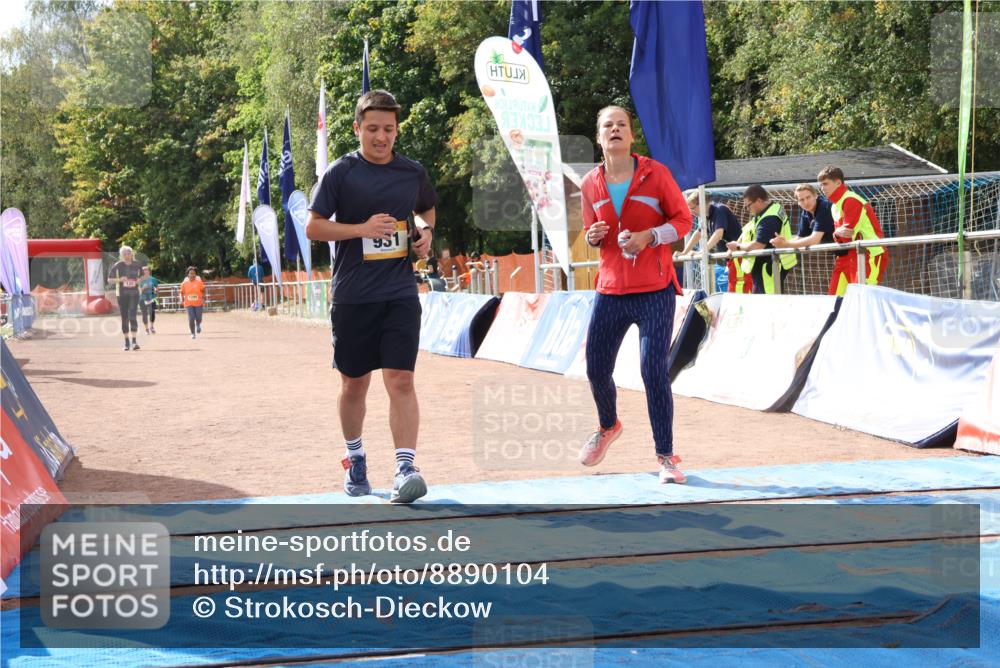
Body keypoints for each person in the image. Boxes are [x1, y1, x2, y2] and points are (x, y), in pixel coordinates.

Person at [305, 89, 436, 504]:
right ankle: (355, 458)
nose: (382, 137)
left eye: (390, 129)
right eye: (374, 129)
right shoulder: (341, 173)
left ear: (397, 130)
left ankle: (405, 468)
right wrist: (361, 229)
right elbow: (314, 227)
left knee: (401, 380)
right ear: (358, 128)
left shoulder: (412, 172)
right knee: (354, 385)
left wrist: (425, 236)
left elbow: (426, 211)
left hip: (399, 293)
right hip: (352, 297)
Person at [579, 105, 693, 484]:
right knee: (595, 366)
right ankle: (608, 425)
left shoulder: (655, 174)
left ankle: (667, 457)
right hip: (610, 289)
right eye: (607, 125)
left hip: (654, 290)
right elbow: (591, 232)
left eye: (621, 125)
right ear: (599, 138)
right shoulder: (589, 184)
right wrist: (593, 236)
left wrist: (651, 237)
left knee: (652, 371)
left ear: (631, 136)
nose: (614, 130)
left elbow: (683, 221)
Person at [817, 166, 887, 295]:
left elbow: (846, 236)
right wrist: (837, 234)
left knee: (862, 298)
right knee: (834, 300)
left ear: (838, 183)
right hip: (847, 255)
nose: (822, 188)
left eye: (826, 184)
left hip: (868, 253)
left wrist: (837, 234)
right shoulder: (834, 206)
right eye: (821, 185)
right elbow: (841, 236)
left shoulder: (851, 200)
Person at [770, 183, 848, 294]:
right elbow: (800, 237)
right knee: (836, 296)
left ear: (815, 195)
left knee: (856, 294)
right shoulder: (806, 213)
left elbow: (814, 240)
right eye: (801, 200)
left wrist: (786, 244)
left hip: (856, 253)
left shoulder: (824, 207)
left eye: (808, 197)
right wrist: (782, 242)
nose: (806, 202)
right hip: (842, 257)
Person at [726, 185, 798, 294]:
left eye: (748, 206)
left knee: (768, 305)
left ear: (759, 201)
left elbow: (758, 245)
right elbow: (749, 229)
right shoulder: (770, 210)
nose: (747, 209)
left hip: (768, 268)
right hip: (769, 267)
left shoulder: (770, 218)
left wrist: (737, 247)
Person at [677, 190, 748, 293]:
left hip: (737, 260)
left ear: (702, 203)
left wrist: (702, 251)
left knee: (733, 292)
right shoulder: (706, 215)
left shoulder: (719, 210)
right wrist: (684, 252)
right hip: (724, 261)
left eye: (693, 208)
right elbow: (698, 233)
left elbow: (718, 234)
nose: (692, 212)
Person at [108, 246, 143, 351]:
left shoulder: (137, 264)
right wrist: (120, 279)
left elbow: (141, 276)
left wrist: (138, 280)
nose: (128, 255)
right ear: (122, 255)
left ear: (132, 254)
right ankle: (126, 342)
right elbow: (109, 280)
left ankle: (134, 341)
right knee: (125, 317)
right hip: (122, 295)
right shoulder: (118, 265)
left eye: (129, 253)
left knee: (133, 316)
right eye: (126, 253)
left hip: (134, 294)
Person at [179, 266, 205, 339]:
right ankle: (193, 333)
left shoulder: (199, 282)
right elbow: (181, 292)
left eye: (194, 273)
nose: (192, 275)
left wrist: (203, 299)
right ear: (188, 275)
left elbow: (203, 290)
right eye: (190, 273)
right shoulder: (184, 283)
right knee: (191, 318)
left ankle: (198, 324)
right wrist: (181, 300)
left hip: (198, 303)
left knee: (199, 317)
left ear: (195, 275)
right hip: (188, 303)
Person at [137, 266, 160, 334]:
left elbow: (157, 287)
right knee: (144, 314)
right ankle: (146, 329)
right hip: (142, 299)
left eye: (146, 270)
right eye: (143, 270)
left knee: (152, 312)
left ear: (149, 271)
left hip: (151, 298)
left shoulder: (153, 279)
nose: (145, 271)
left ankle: (152, 327)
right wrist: (143, 288)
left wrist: (157, 290)